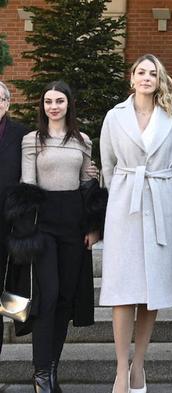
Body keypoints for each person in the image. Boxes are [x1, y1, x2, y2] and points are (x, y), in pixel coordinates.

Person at [7, 80, 101, 393]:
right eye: (48, 101)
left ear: (68, 105)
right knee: (47, 298)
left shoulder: (83, 140)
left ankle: (51, 370)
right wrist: (27, 231)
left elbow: (88, 185)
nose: (53, 106)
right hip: (43, 225)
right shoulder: (32, 139)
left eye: (59, 101)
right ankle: (40, 375)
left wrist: (92, 226)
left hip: (74, 225)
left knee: (64, 300)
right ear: (42, 106)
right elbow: (28, 184)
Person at [99, 54, 172, 393]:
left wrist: (158, 190)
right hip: (125, 206)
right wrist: (124, 191)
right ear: (131, 78)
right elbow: (107, 164)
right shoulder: (114, 116)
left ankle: (139, 365)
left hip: (160, 202)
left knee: (153, 293)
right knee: (123, 292)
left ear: (159, 79)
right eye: (141, 72)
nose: (146, 78)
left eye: (153, 73)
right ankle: (121, 369)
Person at [0, 81, 28, 356]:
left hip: (11, 225)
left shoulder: (22, 134)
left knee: (11, 287)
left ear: (7, 104)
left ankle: (16, 321)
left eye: (0, 100)